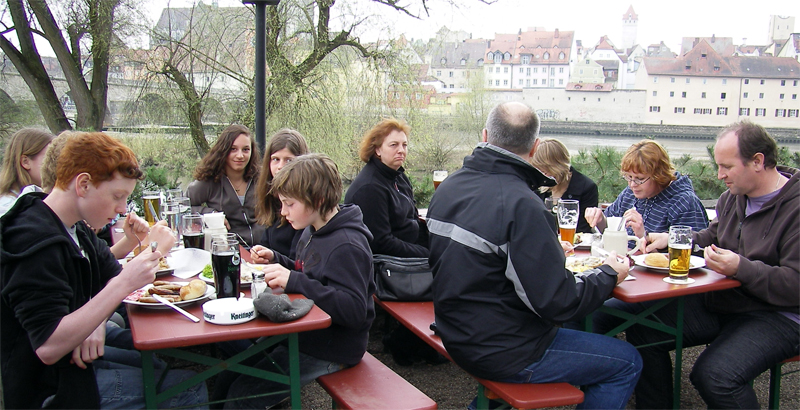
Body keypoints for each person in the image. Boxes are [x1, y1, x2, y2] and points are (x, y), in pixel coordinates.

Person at [427, 102, 642, 410]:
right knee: (627, 361)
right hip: (503, 349)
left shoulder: (449, 187)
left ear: (485, 135)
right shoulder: (522, 204)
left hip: (454, 331)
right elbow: (558, 302)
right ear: (534, 147)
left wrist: (548, 254)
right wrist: (609, 273)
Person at [0, 132, 207, 409]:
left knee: (160, 364)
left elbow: (110, 279)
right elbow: (47, 347)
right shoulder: (34, 240)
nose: (123, 209)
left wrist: (96, 322)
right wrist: (122, 284)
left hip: (76, 360)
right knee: (187, 387)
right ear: (83, 184)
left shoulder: (74, 228)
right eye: (117, 196)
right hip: (49, 387)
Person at [623, 121, 799, 409]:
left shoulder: (795, 207)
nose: (720, 175)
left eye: (727, 167)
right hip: (728, 301)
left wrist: (741, 267)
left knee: (715, 375)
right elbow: (711, 237)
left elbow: (795, 284)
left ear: (758, 161)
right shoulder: (733, 198)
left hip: (779, 314)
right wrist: (672, 239)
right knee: (646, 331)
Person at [216, 154, 375, 408]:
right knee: (224, 381)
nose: (283, 212)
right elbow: (310, 272)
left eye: (289, 204)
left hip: (331, 348)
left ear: (318, 200)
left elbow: (354, 310)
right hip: (301, 335)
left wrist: (293, 281)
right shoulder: (312, 229)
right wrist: (277, 260)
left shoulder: (347, 245)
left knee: (242, 396)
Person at [584, 140, 708, 238]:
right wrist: (600, 219)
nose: (632, 184)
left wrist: (643, 235)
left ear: (659, 175)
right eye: (628, 177)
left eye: (639, 178)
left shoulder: (684, 202)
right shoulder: (630, 193)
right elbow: (610, 229)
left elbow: (690, 257)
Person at [344, 118, 428, 257]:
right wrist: (428, 254)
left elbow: (413, 220)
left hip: (411, 246)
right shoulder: (370, 188)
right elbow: (381, 243)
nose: (401, 150)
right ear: (377, 149)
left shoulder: (398, 176)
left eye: (404, 145)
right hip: (389, 265)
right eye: (394, 145)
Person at [187, 124, 263, 247]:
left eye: (245, 149)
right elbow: (182, 208)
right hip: (225, 251)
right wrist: (211, 214)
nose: (240, 155)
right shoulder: (209, 181)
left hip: (263, 252)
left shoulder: (261, 178)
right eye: (233, 149)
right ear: (223, 150)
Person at [252, 128, 309, 260]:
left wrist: (274, 259)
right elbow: (267, 243)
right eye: (276, 159)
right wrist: (261, 254)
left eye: (288, 160)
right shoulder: (271, 195)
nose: (280, 166)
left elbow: (297, 262)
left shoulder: (305, 204)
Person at [531, 137, 598, 234]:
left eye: (545, 171)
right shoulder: (535, 186)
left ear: (557, 166)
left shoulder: (586, 187)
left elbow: (583, 231)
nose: (542, 176)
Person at [0, 128, 54, 216]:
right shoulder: (7, 208)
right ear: (25, 162)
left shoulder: (38, 200)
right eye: (49, 159)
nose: (56, 166)